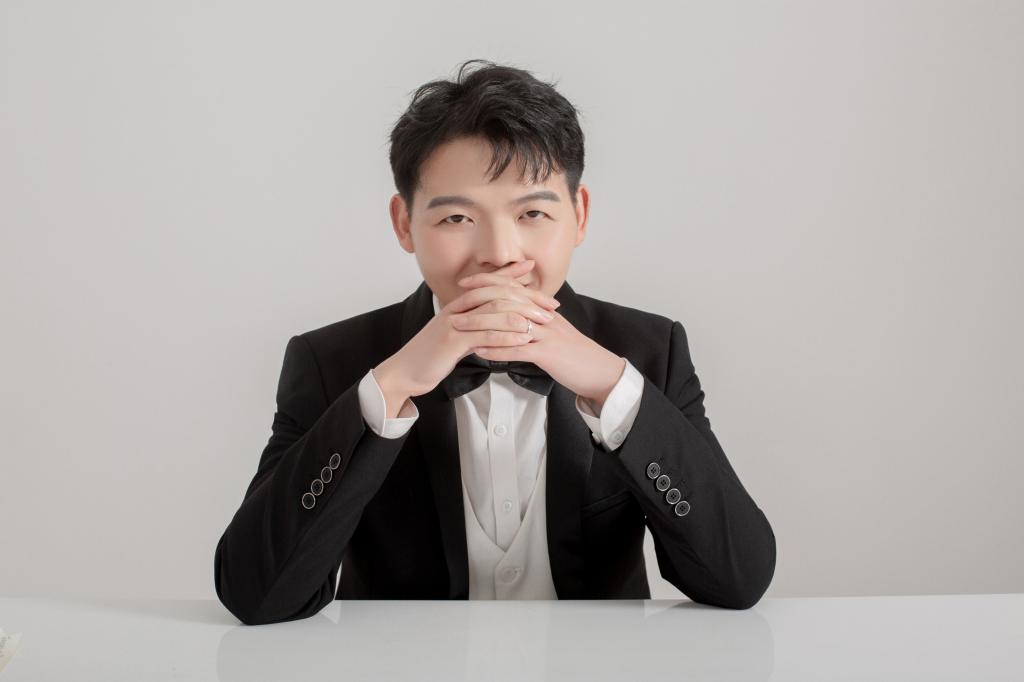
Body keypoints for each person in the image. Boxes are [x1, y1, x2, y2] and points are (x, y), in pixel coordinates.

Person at [214, 58, 776, 625]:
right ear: (404, 223)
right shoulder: (330, 362)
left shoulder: (651, 350)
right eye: (457, 219)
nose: (500, 255)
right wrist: (390, 388)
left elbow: (738, 577)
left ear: (579, 215)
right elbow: (255, 594)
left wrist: (615, 390)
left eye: (532, 212)